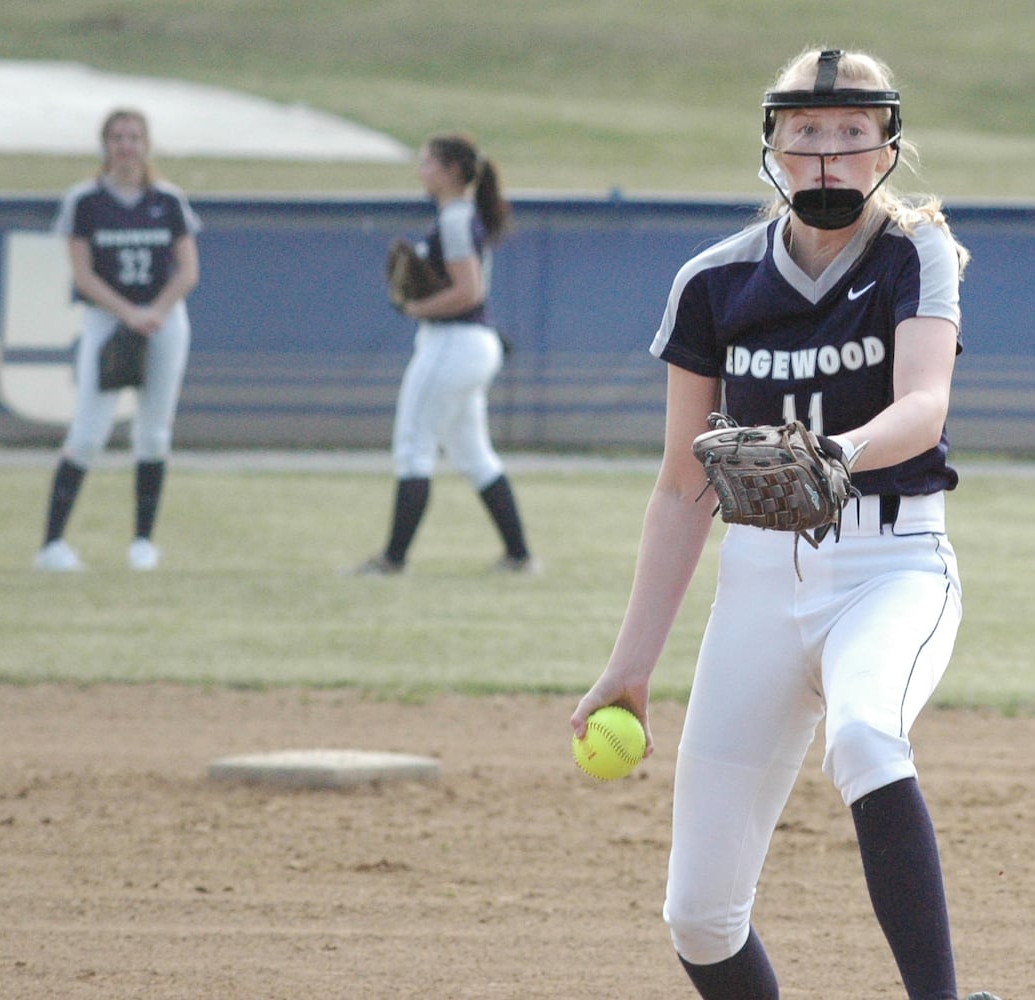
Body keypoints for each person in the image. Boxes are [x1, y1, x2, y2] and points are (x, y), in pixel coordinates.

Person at [570, 49, 1002, 1000]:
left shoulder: (911, 251)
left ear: (886, 145)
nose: (827, 155)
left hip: (892, 563)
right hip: (758, 583)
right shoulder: (713, 283)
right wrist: (630, 665)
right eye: (805, 131)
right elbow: (681, 485)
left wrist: (835, 453)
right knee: (698, 916)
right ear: (771, 144)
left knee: (865, 737)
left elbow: (923, 404)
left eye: (852, 133)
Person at [354, 133, 535, 575]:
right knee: (473, 455)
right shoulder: (460, 216)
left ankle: (393, 560)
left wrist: (415, 307)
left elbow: (468, 291)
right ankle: (519, 556)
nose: (421, 171)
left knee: (414, 445)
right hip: (470, 345)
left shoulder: (455, 219)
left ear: (452, 170)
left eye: (427, 163)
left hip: (453, 343)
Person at [34, 108, 200, 572]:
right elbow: (83, 275)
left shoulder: (167, 200)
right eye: (117, 137)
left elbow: (188, 270)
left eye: (134, 137)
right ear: (104, 145)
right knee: (88, 431)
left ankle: (143, 541)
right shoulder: (85, 201)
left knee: (154, 431)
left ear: (147, 144)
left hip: (163, 320)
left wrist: (155, 313)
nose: (126, 146)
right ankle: (51, 544)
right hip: (108, 321)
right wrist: (128, 313)